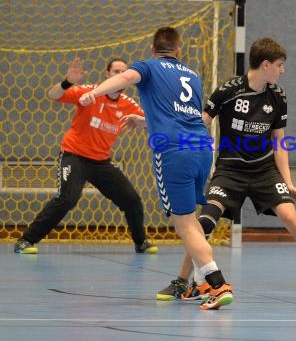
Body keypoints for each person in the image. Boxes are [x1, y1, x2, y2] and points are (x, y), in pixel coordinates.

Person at [155, 37, 296, 305]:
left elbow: (279, 142)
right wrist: (155, 127)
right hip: (229, 170)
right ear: (266, 64)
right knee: (205, 222)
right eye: (280, 65)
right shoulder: (227, 91)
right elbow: (198, 124)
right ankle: (181, 281)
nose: (283, 70)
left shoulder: (278, 96)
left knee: (292, 218)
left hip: (264, 171)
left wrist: (288, 182)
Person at [78, 27, 232, 310]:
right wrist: (143, 121)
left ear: (152, 50)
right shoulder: (193, 76)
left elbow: (126, 77)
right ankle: (201, 283)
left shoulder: (147, 67)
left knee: (183, 224)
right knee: (191, 222)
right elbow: (184, 117)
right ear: (178, 50)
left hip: (173, 150)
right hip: (201, 148)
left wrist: (94, 93)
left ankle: (218, 283)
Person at [14, 57, 158, 255]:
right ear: (107, 74)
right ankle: (26, 240)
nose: (120, 75)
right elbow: (53, 95)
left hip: (101, 162)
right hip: (75, 156)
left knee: (131, 200)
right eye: (116, 71)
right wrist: (68, 82)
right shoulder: (90, 92)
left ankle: (141, 242)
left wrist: (142, 121)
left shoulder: (128, 104)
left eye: (123, 72)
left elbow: (152, 123)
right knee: (67, 199)